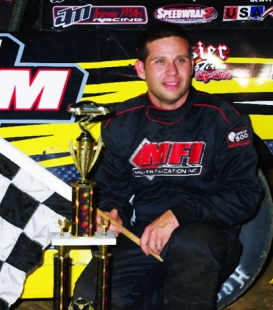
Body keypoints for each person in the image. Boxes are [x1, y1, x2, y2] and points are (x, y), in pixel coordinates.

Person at [72, 23, 263, 310]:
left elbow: (245, 194)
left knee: (189, 244)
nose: (172, 72)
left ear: (193, 66)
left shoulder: (225, 119)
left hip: (207, 239)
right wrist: (113, 213)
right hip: (142, 240)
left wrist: (179, 215)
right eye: (160, 61)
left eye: (180, 61)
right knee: (91, 295)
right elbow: (112, 190)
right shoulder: (120, 121)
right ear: (140, 69)